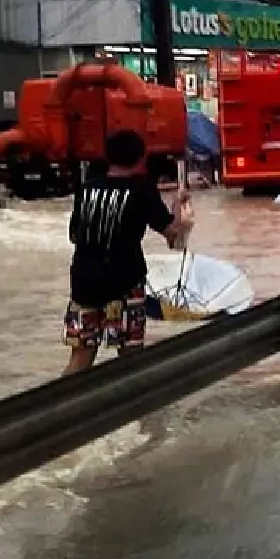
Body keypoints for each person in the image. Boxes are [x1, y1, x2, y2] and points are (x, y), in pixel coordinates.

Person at [64, 130, 193, 375]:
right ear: (141, 158)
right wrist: (178, 205)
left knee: (81, 357)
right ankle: (134, 410)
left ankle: (60, 410)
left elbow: (73, 236)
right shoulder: (142, 191)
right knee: (130, 357)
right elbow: (173, 235)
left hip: (83, 283)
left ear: (108, 157)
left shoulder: (87, 189)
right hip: (124, 285)